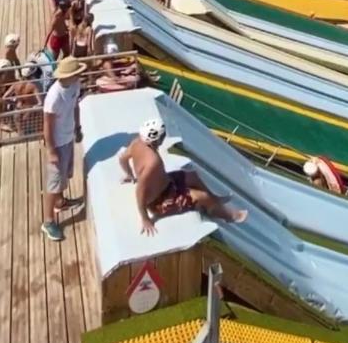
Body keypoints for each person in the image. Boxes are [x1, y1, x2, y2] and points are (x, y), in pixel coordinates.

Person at [119, 119, 248, 236]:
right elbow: (140, 191)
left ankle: (215, 199)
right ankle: (229, 216)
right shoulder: (153, 162)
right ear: (157, 139)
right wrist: (145, 219)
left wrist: (130, 175)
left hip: (166, 183)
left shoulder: (137, 142)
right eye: (163, 135)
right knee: (202, 196)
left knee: (192, 176)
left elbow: (123, 159)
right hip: (159, 201)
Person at [41, 56, 87, 242]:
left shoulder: (75, 86)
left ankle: (60, 202)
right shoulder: (53, 97)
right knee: (53, 184)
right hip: (57, 143)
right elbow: (47, 126)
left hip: (68, 138)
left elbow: (75, 106)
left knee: (64, 176)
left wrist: (77, 128)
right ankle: (48, 221)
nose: (80, 75)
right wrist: (51, 150)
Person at [4, 63, 42, 136]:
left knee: (20, 130)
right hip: (29, 110)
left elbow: (4, 97)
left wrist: (14, 104)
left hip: (18, 108)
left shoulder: (16, 84)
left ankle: (21, 135)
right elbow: (40, 103)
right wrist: (32, 109)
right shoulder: (33, 86)